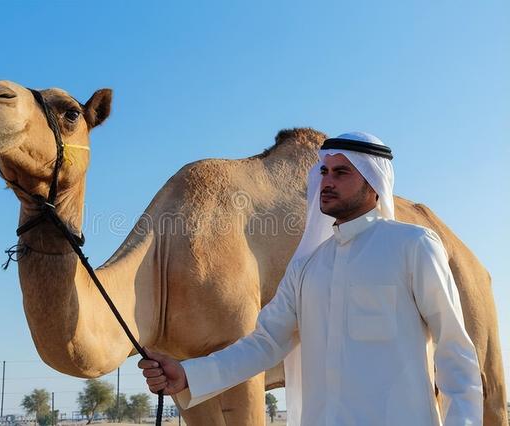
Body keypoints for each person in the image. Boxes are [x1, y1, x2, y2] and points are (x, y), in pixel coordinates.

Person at [138, 132, 483, 425]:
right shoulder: (306, 268)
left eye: (342, 173)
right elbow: (264, 343)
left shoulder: (413, 247)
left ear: (374, 182)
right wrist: (188, 375)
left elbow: (454, 350)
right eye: (325, 172)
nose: (328, 181)